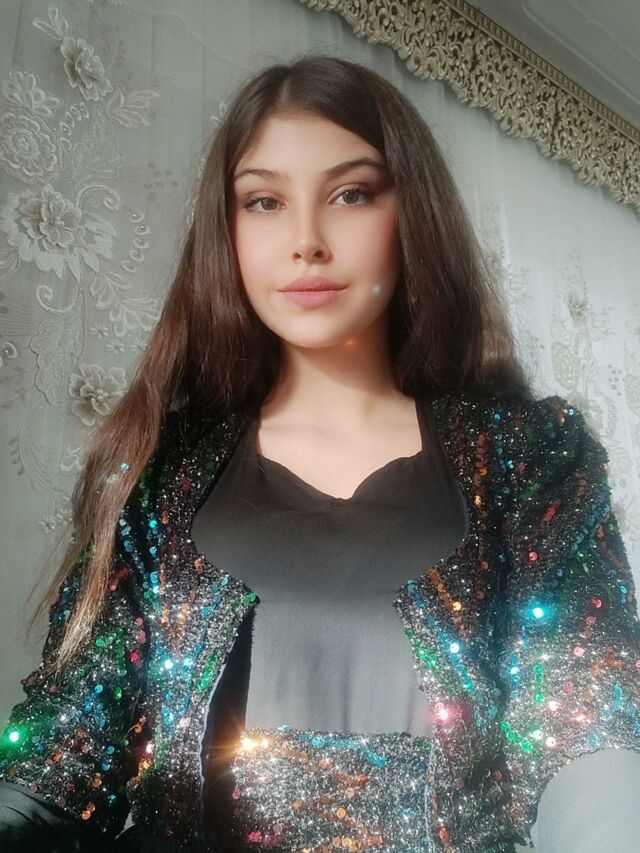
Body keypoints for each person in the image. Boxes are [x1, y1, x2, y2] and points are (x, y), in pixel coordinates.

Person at [1, 54, 639, 853]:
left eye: (351, 194)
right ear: (227, 228)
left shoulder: (531, 456)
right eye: (264, 201)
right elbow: (65, 748)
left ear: (413, 212)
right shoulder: (160, 472)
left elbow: (584, 716)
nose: (305, 241)